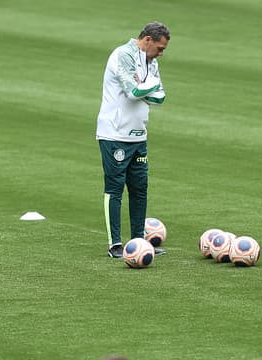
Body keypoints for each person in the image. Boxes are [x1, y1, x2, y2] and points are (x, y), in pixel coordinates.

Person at [95, 21, 170, 258]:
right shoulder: (122, 55)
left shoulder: (152, 63)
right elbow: (132, 92)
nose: (160, 54)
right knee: (115, 189)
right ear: (147, 40)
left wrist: (145, 86)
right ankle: (115, 243)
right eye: (159, 48)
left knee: (140, 189)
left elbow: (160, 98)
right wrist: (148, 87)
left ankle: (139, 241)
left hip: (139, 135)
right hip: (115, 134)